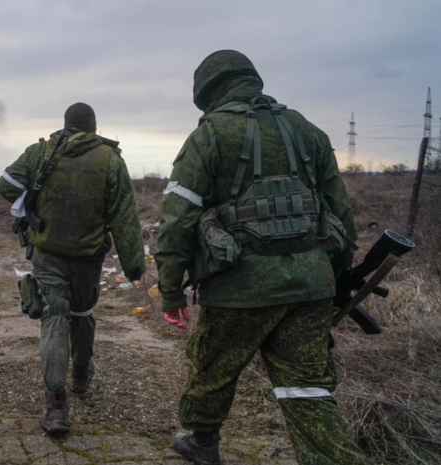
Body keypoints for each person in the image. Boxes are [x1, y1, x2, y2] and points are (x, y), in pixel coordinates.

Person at [155, 50, 368, 465]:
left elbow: (178, 220)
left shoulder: (210, 135)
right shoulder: (306, 130)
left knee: (213, 368)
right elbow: (340, 213)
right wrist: (335, 277)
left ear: (208, 93)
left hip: (238, 286)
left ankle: (202, 443)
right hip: (311, 282)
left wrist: (170, 292)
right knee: (307, 387)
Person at [0, 102, 145, 434]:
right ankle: (80, 376)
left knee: (52, 320)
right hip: (87, 260)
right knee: (81, 316)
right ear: (94, 128)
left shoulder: (42, 151)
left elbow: (6, 185)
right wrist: (134, 267)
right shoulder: (111, 160)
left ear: (65, 125)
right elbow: (125, 218)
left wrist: (33, 200)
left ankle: (56, 409)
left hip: (47, 255)